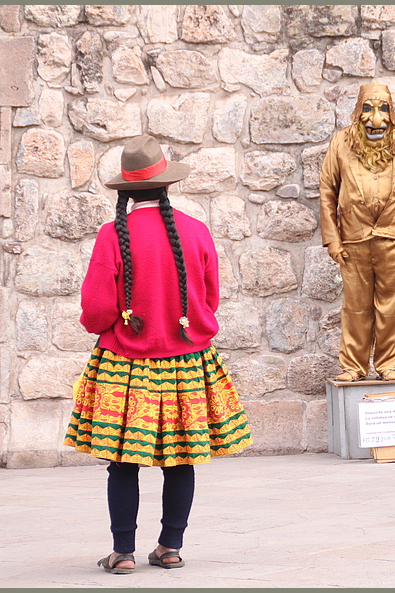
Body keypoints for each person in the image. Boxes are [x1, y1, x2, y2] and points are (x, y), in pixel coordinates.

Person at [64, 135, 253, 572]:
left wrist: (115, 322)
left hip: (124, 364)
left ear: (125, 191)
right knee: (182, 458)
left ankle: (123, 553)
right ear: (167, 185)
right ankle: (170, 547)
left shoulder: (114, 235)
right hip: (187, 362)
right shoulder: (196, 231)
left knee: (121, 459)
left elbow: (95, 310)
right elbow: (208, 300)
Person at [319, 81, 395, 382]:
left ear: (391, 111)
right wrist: (332, 238)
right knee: (356, 307)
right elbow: (327, 190)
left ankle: (389, 364)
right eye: (368, 109)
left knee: (394, 308)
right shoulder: (342, 142)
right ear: (358, 111)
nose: (375, 119)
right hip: (354, 239)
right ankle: (354, 366)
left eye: (383, 109)